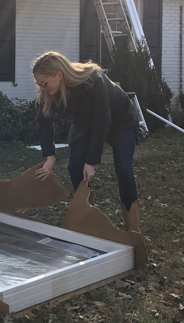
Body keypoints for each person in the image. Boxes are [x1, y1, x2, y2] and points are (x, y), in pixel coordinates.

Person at [32, 51, 141, 234]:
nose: (41, 88)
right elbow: (44, 121)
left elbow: (102, 120)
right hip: (87, 123)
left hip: (120, 121)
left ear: (59, 75)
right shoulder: (51, 92)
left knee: (123, 169)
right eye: (38, 84)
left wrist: (91, 161)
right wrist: (50, 157)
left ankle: (134, 231)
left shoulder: (92, 81)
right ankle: (90, 222)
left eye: (43, 83)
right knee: (74, 167)